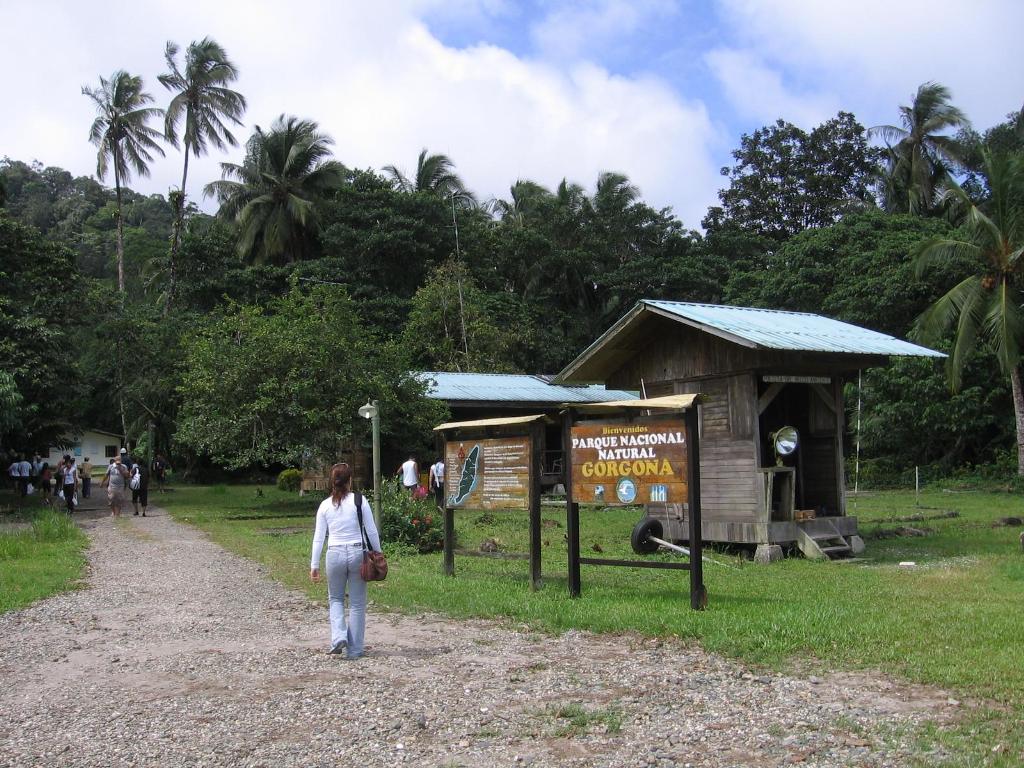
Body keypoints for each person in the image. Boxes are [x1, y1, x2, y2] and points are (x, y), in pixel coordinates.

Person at [310, 462, 381, 660]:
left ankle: (339, 637)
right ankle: (356, 650)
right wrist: (379, 552)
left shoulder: (325, 506)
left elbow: (318, 537)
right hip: (358, 553)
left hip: (334, 553)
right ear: (350, 480)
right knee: (357, 604)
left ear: (332, 482)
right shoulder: (360, 500)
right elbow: (371, 530)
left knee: (335, 599)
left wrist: (314, 564)